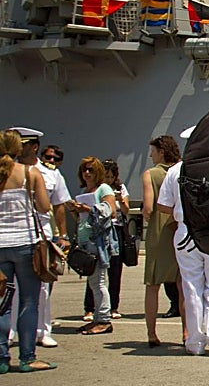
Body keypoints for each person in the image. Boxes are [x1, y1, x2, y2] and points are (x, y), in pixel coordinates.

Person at [155, 130, 209, 357]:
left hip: (185, 231)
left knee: (191, 287)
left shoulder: (175, 170)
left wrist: (184, 213)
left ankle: (195, 341)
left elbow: (162, 205)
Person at [0, 129, 54, 372]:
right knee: (29, 301)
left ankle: (1, 358)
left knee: (3, 303)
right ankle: (27, 357)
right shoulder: (29, 173)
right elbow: (44, 207)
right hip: (25, 243)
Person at [14, 131, 70, 349]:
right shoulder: (7, 170)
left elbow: (59, 205)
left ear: (34, 147)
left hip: (41, 234)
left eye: (24, 145)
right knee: (11, 287)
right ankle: (9, 332)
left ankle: (42, 330)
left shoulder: (49, 173)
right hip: (13, 234)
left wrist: (63, 235)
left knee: (43, 285)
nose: (20, 149)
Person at [70, 157, 120, 335]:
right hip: (86, 239)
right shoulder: (86, 190)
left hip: (97, 241)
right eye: (84, 170)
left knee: (98, 282)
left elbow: (111, 211)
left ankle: (104, 320)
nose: (87, 173)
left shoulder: (104, 188)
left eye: (90, 169)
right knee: (93, 282)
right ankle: (98, 318)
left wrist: (88, 209)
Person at [141, 136, 182, 347]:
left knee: (153, 284)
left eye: (154, 151)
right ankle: (186, 331)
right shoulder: (182, 170)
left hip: (158, 231)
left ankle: (151, 334)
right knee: (182, 283)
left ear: (161, 152)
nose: (151, 155)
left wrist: (145, 215)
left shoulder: (151, 174)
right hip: (178, 229)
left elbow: (149, 207)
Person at [84, 159, 129, 323]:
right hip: (95, 232)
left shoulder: (115, 189)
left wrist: (120, 200)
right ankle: (90, 308)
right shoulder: (94, 189)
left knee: (113, 272)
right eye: (106, 176)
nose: (109, 180)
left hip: (113, 231)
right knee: (93, 272)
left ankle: (111, 309)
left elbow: (118, 212)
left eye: (111, 177)